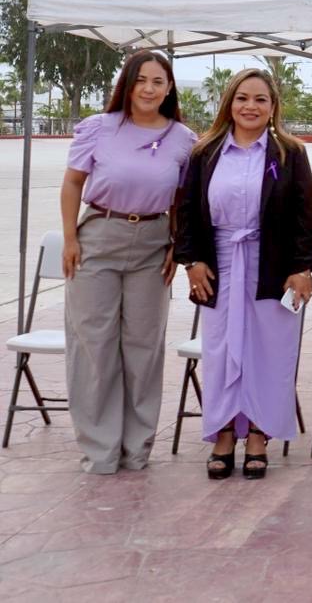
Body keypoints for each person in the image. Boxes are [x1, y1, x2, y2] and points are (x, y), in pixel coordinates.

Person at [175, 69, 312, 480]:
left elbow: (303, 217)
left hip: (273, 265)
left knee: (270, 352)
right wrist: (192, 261)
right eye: (242, 98)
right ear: (229, 104)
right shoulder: (205, 153)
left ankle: (258, 433)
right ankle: (222, 432)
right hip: (218, 264)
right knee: (221, 351)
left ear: (273, 107)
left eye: (260, 99)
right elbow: (186, 212)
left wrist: (301, 267)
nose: (250, 106)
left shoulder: (290, 153)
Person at [59, 50, 197, 474]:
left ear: (169, 88)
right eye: (142, 80)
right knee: (94, 347)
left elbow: (181, 199)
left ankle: (137, 449)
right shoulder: (98, 129)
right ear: (128, 84)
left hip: (154, 243)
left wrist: (178, 243)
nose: (149, 89)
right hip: (99, 235)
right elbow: (73, 183)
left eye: (158, 81)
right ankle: (100, 450)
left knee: (143, 346)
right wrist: (69, 237)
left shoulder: (183, 138)